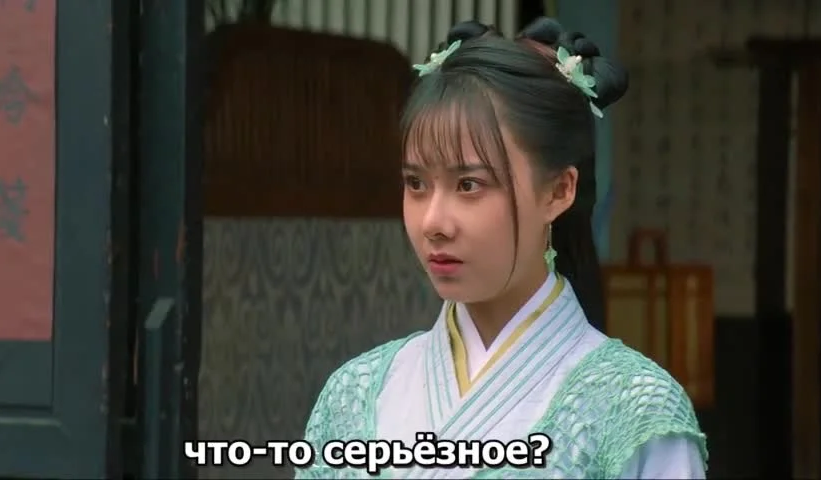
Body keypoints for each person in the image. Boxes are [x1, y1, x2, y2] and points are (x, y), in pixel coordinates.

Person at [296, 17, 707, 479]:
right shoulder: (353, 395)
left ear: (558, 191)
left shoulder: (638, 412)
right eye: (416, 184)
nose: (433, 222)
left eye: (469, 184)